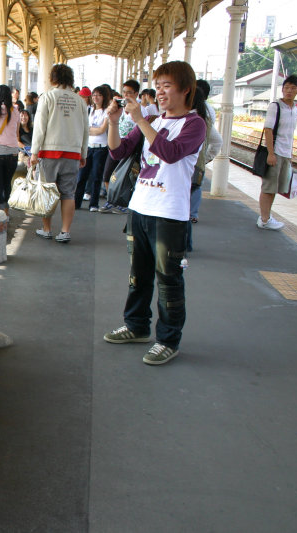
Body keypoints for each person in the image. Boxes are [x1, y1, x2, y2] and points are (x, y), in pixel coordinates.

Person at [103, 60, 207, 366]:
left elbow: (170, 154)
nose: (160, 92)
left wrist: (141, 120)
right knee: (139, 276)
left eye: (166, 86)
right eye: (157, 86)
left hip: (170, 214)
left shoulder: (194, 124)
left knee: (168, 280)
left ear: (186, 90)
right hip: (140, 208)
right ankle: (136, 326)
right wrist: (113, 122)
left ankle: (168, 339)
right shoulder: (153, 120)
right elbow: (118, 151)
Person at [31, 63, 89, 243]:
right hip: (72, 153)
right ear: (70, 79)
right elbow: (86, 129)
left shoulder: (47, 97)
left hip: (49, 152)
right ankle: (65, 231)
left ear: (53, 78)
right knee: (68, 193)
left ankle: (47, 229)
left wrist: (34, 152)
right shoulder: (79, 100)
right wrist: (83, 153)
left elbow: (39, 128)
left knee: (47, 192)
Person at [257, 74, 297, 230]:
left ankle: (266, 216)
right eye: (286, 87)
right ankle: (264, 219)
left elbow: (290, 133)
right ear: (282, 89)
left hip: (285, 153)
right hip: (275, 151)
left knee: (276, 188)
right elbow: (268, 129)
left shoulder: (295, 109)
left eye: (293, 88)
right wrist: (271, 153)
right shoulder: (275, 106)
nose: (288, 91)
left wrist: (290, 155)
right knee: (268, 186)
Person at [186, 79, 222, 251]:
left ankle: (182, 245)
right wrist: (205, 159)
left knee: (179, 209)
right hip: (197, 167)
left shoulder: (191, 120)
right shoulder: (206, 118)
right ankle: (186, 244)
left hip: (186, 168)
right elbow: (217, 142)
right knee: (187, 207)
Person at [99, 79, 144, 214]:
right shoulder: (119, 110)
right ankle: (112, 200)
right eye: (124, 92)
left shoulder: (143, 111)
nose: (125, 96)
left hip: (132, 149)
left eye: (129, 93)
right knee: (107, 176)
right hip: (117, 145)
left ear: (136, 94)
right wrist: (113, 120)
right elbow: (116, 151)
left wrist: (139, 117)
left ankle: (124, 202)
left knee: (127, 177)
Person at [0, 85, 22, 215]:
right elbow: (17, 132)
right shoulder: (16, 111)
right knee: (7, 184)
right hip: (13, 153)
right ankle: (6, 213)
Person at [75, 85, 110, 211]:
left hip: (101, 148)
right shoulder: (89, 110)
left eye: (99, 95)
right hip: (88, 147)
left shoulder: (106, 112)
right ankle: (76, 202)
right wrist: (92, 130)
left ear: (104, 97)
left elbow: (102, 130)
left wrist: (90, 130)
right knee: (82, 176)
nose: (96, 97)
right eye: (94, 95)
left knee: (96, 176)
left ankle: (93, 204)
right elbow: (82, 128)